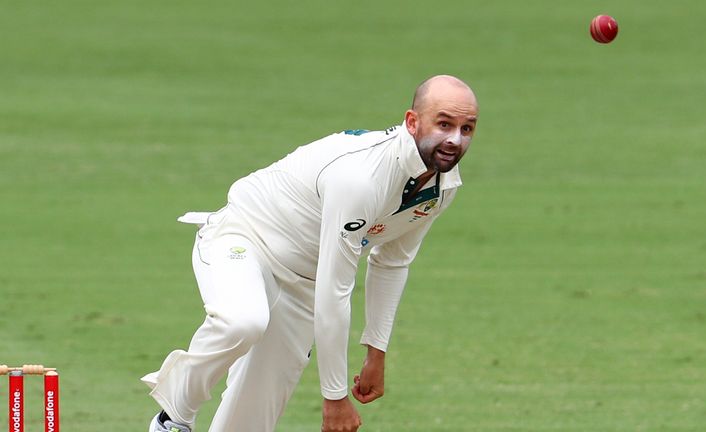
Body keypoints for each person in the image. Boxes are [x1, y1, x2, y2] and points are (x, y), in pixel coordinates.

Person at [142, 74, 479, 432]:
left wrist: (376, 351)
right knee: (243, 320)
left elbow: (393, 261)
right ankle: (173, 418)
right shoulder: (361, 178)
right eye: (444, 124)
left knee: (251, 421)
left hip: (304, 283)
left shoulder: (444, 186)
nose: (455, 139)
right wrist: (335, 398)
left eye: (467, 128)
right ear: (412, 122)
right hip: (245, 237)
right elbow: (335, 291)